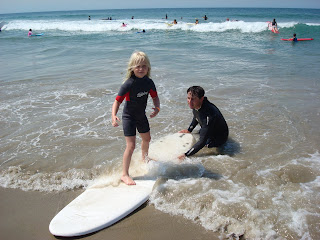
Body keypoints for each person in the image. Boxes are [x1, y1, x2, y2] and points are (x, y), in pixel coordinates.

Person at [112, 51, 160, 185]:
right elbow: (117, 101)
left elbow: (155, 97)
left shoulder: (149, 82)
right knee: (131, 146)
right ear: (132, 67)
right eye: (138, 66)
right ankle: (124, 174)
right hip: (129, 117)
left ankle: (145, 158)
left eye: (144, 66)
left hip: (141, 116)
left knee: (147, 139)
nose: (141, 69)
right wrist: (114, 115)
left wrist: (157, 108)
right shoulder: (129, 84)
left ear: (148, 68)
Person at [178, 86, 229, 161]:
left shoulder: (209, 115)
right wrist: (189, 130)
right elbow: (196, 116)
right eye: (188, 98)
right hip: (210, 128)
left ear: (201, 98)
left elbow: (202, 142)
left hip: (218, 138)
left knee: (205, 146)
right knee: (198, 136)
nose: (190, 102)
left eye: (193, 99)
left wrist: (185, 155)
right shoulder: (197, 105)